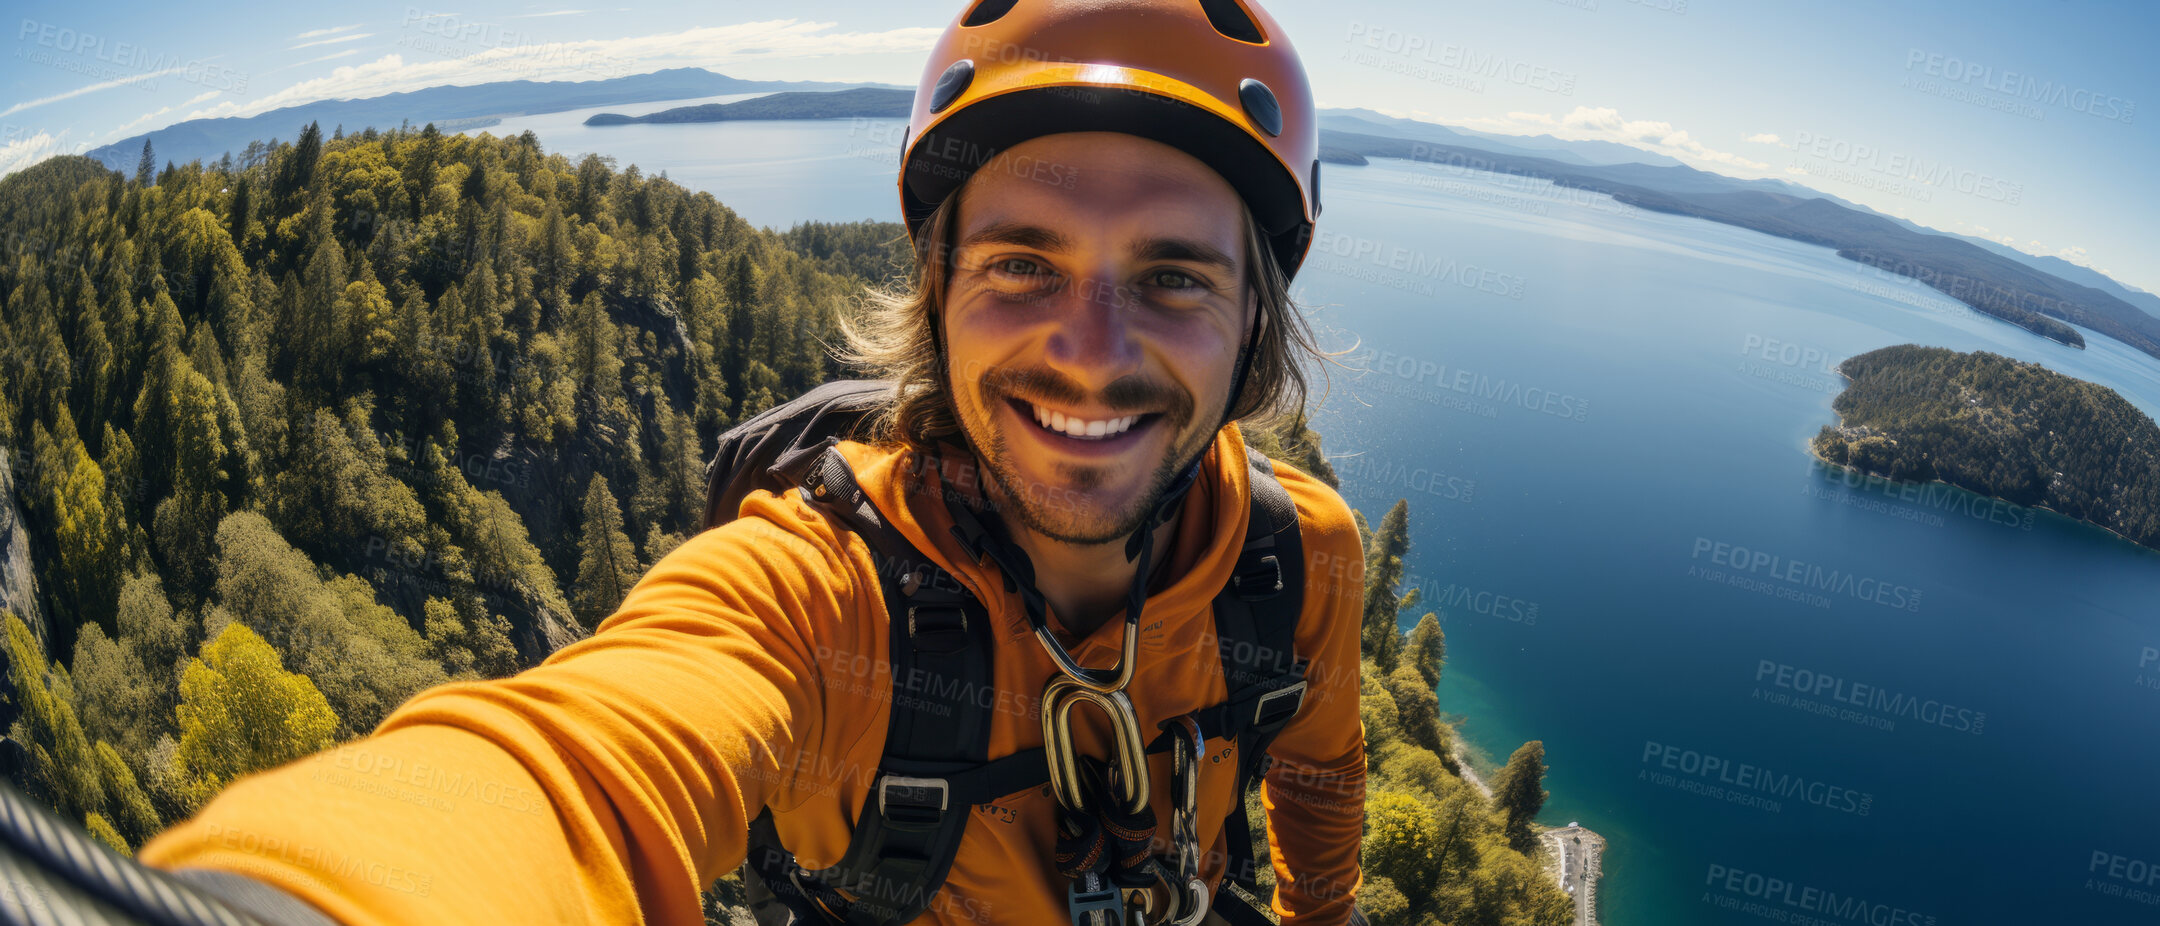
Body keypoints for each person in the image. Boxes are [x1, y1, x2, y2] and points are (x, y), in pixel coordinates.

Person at [135, 0, 1367, 923]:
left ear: (1255, 319)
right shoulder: (819, 593)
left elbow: (1321, 779)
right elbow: (577, 763)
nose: (1091, 356)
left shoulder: (1298, 560)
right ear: (936, 296)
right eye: (1021, 264)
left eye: (1172, 276)